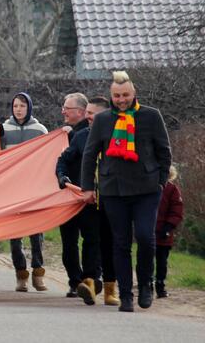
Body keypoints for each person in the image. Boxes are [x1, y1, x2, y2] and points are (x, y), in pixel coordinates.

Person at [81, 71, 172, 312]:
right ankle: (125, 295)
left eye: (126, 95)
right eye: (117, 95)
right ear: (111, 96)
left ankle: (145, 285)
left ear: (134, 94)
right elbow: (89, 155)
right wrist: (87, 187)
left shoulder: (151, 116)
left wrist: (161, 182)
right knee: (120, 243)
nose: (121, 100)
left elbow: (164, 152)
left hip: (146, 189)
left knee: (144, 236)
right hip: (114, 191)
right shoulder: (102, 120)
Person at [54, 93, 102, 304]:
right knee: (71, 242)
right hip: (71, 195)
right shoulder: (73, 134)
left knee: (90, 240)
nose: (63, 111)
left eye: (68, 108)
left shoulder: (85, 133)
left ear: (82, 112)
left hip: (90, 197)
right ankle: (79, 281)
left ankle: (88, 279)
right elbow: (62, 160)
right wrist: (62, 178)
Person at [1, 92, 49, 292]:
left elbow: (48, 153)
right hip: (12, 188)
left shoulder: (39, 130)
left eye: (22, 106)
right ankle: (21, 275)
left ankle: (38, 273)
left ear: (29, 107)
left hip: (33, 187)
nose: (18, 109)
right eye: (15, 106)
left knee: (36, 232)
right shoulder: (4, 129)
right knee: (15, 233)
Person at [84, 96, 120, 306]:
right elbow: (66, 159)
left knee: (110, 243)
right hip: (89, 200)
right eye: (86, 112)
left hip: (110, 198)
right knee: (89, 242)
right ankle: (88, 283)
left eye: (92, 113)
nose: (87, 117)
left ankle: (110, 288)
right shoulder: (81, 136)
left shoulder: (116, 135)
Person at [155, 165, 184, 299]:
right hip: (150, 230)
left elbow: (176, 210)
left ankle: (160, 285)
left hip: (164, 232)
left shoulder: (172, 189)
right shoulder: (149, 187)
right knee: (146, 259)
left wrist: (168, 227)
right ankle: (147, 283)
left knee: (162, 262)